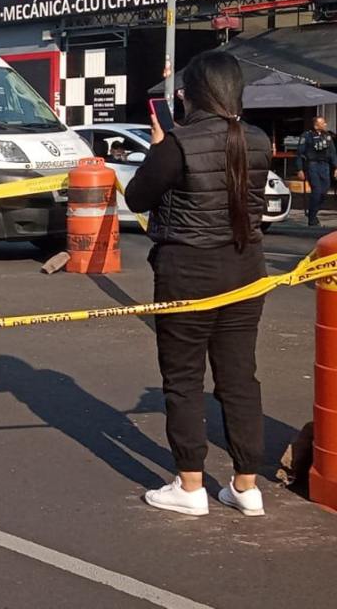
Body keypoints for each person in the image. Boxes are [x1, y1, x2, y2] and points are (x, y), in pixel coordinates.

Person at [125, 50, 273, 517]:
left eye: (184, 90)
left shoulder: (177, 143)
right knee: (239, 377)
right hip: (247, 269)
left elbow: (137, 196)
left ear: (195, 94)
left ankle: (190, 487)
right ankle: (246, 486)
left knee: (184, 378)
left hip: (186, 270)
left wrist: (158, 147)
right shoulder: (259, 141)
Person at [296, 116, 335, 226]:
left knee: (324, 192)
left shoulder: (327, 136)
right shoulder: (307, 136)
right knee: (317, 191)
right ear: (316, 125)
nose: (325, 125)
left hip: (325, 166)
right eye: (323, 123)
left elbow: (333, 153)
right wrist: (300, 169)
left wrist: (336, 167)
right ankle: (312, 219)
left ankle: (313, 212)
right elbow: (299, 154)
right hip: (312, 166)